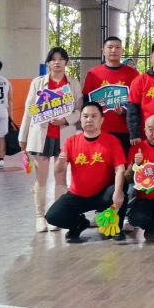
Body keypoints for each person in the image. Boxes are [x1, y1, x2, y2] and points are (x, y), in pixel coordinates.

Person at [19, 47, 83, 233]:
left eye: (61, 59)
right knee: (41, 178)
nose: (57, 62)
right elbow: (29, 111)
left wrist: (65, 120)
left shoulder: (73, 84)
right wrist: (22, 137)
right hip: (41, 135)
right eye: (53, 59)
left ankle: (57, 216)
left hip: (64, 135)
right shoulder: (38, 83)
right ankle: (40, 217)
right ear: (48, 62)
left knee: (61, 177)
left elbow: (79, 110)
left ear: (66, 62)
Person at [44, 102, 127, 242]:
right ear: (80, 119)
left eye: (94, 116)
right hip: (77, 195)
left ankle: (116, 228)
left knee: (121, 187)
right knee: (53, 216)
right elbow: (58, 170)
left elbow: (120, 169)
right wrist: (60, 163)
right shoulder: (70, 142)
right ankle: (79, 223)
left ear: (101, 120)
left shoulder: (112, 141)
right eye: (85, 116)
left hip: (102, 195)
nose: (89, 120)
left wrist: (118, 191)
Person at [81, 36, 140, 153]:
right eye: (110, 47)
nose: (113, 50)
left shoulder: (133, 74)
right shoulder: (93, 74)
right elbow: (86, 103)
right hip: (100, 130)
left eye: (117, 47)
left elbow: (138, 103)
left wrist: (125, 111)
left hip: (125, 130)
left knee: (124, 163)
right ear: (103, 51)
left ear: (122, 51)